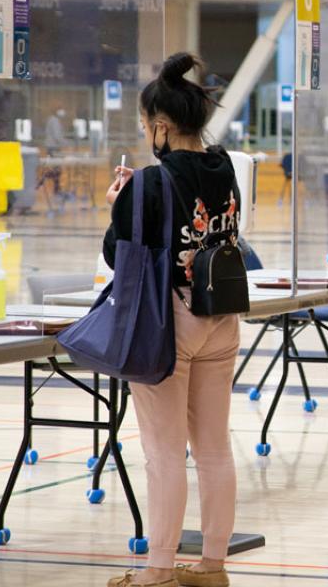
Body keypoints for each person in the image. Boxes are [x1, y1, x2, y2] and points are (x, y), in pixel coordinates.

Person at [102, 53, 240, 587]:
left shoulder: (149, 184)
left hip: (168, 323)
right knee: (213, 448)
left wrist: (118, 205)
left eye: (144, 126)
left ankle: (157, 570)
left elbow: (120, 256)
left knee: (163, 454)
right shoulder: (225, 165)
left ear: (161, 126)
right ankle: (211, 565)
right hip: (220, 315)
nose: (144, 135)